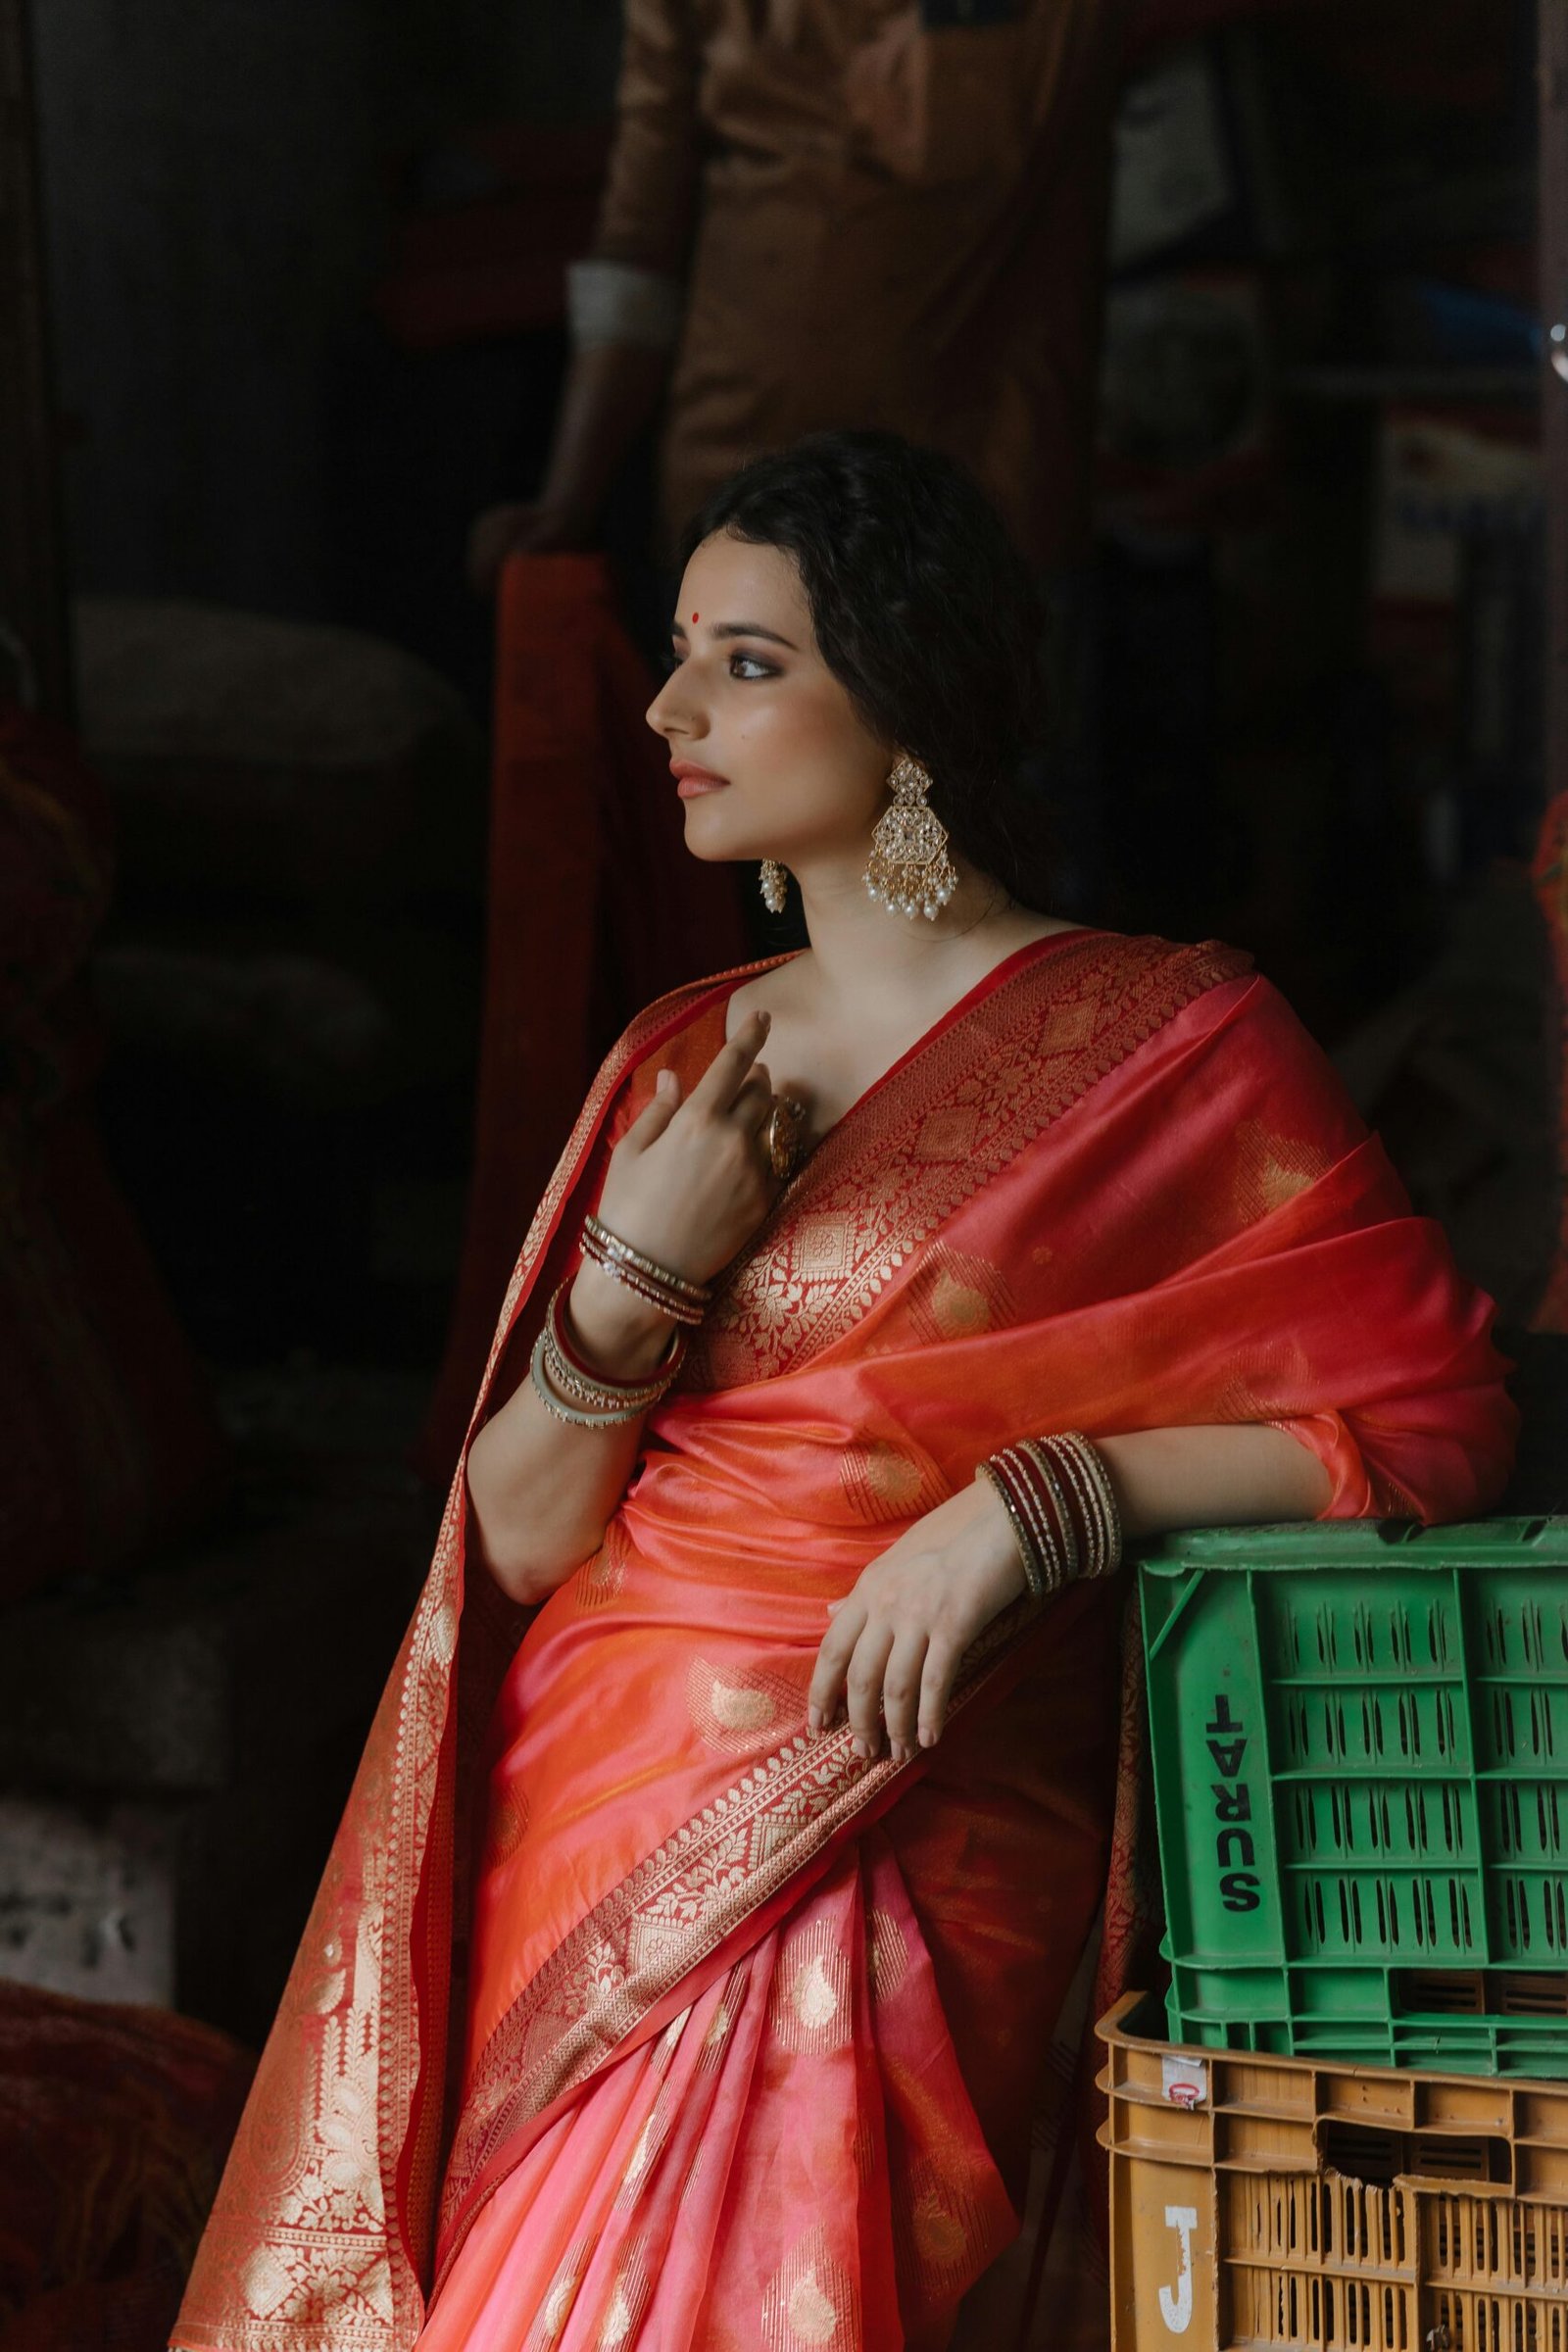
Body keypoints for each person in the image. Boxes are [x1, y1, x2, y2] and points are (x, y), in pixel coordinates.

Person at [173, 433, 1513, 2352]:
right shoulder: (681, 1066)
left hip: (918, 1828)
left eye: (742, 660)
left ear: (901, 699)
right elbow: (524, 1535)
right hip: (603, 1813)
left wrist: (1040, 1504)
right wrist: (643, 1264)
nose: (663, 709)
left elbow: (1440, 1428)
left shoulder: (1170, 1054)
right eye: (681, 652)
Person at [468, 0, 1134, 590]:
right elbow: (640, 236)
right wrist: (566, 501)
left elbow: (948, 129)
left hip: (979, 499)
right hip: (742, 483)